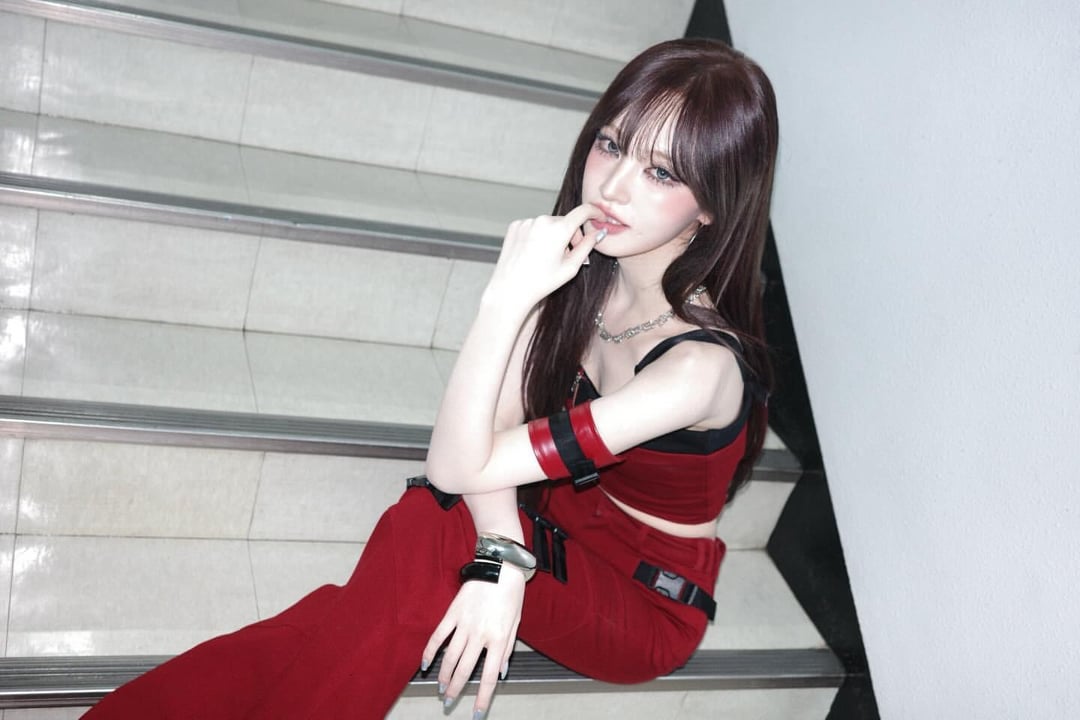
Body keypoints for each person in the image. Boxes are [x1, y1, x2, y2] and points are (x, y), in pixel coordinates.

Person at [83, 37, 778, 720]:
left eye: (661, 174)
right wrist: (504, 552)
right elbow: (488, 434)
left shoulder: (697, 369)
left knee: (428, 523)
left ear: (712, 204)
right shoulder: (581, 269)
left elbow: (455, 466)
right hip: (546, 515)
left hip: (641, 599)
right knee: (355, 609)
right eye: (611, 144)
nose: (613, 186)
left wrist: (506, 299)